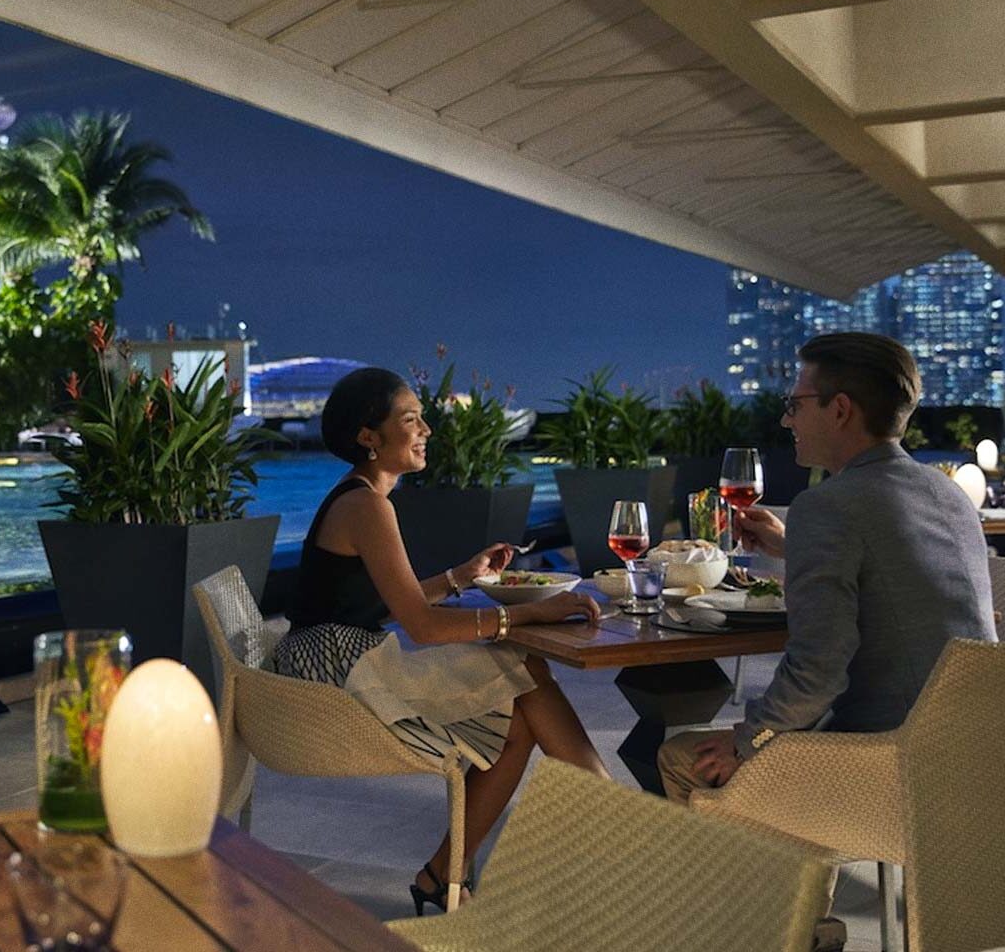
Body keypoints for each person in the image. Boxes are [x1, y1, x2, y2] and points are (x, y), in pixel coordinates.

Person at [273, 367, 608, 914]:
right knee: (520, 673)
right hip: (335, 674)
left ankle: (442, 875)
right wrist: (530, 616)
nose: (426, 428)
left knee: (518, 705)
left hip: (334, 656)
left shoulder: (363, 498)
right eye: (410, 419)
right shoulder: (367, 506)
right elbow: (423, 629)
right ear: (369, 436)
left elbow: (384, 599)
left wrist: (459, 577)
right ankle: (610, 815)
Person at [658, 332, 997, 803]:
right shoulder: (948, 494)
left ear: (838, 409)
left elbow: (817, 673)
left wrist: (747, 739)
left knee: (682, 758)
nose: (785, 418)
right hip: (973, 752)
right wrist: (791, 545)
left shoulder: (828, 506)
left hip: (889, 764)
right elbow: (895, 581)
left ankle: (776, 877)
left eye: (794, 404)